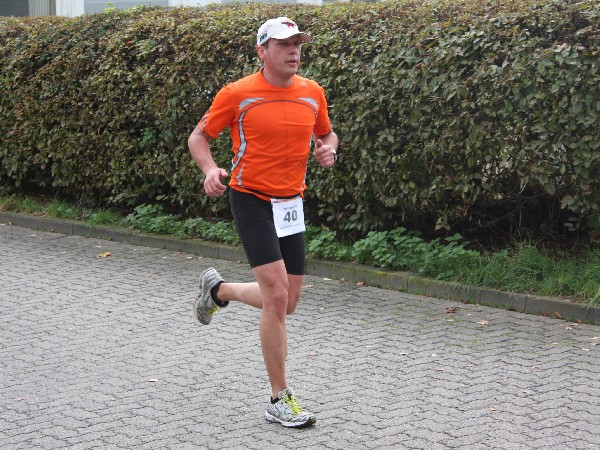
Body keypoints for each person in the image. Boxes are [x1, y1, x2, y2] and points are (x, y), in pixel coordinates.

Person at [188, 17, 338, 428]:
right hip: (251, 198)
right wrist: (209, 169)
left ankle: (219, 290)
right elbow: (199, 137)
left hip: (291, 204)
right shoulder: (237, 93)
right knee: (276, 297)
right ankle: (279, 398)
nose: (293, 51)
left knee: (287, 301)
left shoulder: (312, 92)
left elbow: (327, 135)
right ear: (262, 51)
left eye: (297, 44)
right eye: (284, 44)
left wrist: (329, 151)